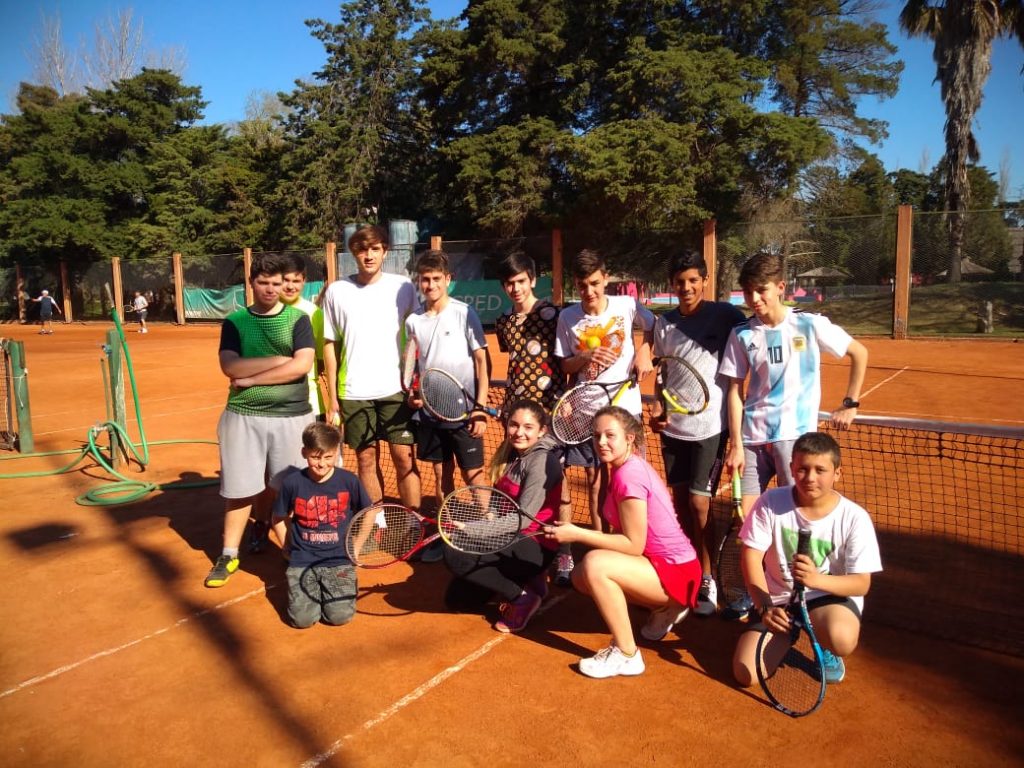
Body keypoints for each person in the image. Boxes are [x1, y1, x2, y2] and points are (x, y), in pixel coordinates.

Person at [719, 251, 868, 620]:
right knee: (750, 526)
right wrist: (736, 445)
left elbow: (859, 352)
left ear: (781, 287)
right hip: (752, 442)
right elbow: (735, 392)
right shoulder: (741, 334)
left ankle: (802, 595)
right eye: (748, 292)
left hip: (795, 444)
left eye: (762, 290)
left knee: (796, 526)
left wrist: (850, 402)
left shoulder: (810, 325)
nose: (755, 299)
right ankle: (753, 595)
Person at [546, 406, 702, 679]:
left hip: (677, 572)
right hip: (665, 567)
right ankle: (666, 608)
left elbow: (632, 545)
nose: (601, 442)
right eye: (596, 436)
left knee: (595, 566)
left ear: (630, 438)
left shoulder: (629, 475)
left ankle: (627, 654)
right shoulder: (625, 467)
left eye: (610, 435)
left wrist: (577, 533)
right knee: (581, 576)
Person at [731, 431, 882, 686]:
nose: (810, 478)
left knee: (841, 638)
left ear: (837, 473)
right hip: (779, 601)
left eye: (820, 470)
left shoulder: (855, 518)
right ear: (791, 468)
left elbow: (860, 583)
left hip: (827, 598)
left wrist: (815, 580)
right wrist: (765, 606)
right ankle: (787, 631)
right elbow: (751, 556)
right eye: (802, 469)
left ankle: (823, 642)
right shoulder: (770, 502)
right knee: (745, 673)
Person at [205, 253, 316, 588]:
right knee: (239, 489)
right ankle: (228, 553)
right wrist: (279, 360)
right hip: (243, 417)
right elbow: (230, 367)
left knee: (291, 489)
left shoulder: (298, 319)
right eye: (263, 282)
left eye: (277, 283)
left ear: (286, 285)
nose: (271, 289)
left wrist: (253, 379)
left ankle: (292, 548)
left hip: (292, 416)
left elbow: (302, 366)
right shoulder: (235, 322)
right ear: (251, 283)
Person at [649, 251, 745, 616]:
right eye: (680, 281)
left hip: (710, 428)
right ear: (671, 285)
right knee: (680, 504)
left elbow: (754, 339)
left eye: (693, 280)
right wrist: (658, 404)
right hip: (674, 429)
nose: (686, 287)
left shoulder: (726, 315)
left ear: (704, 280)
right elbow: (663, 372)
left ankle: (708, 577)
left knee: (700, 503)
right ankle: (689, 567)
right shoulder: (665, 324)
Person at [321, 226, 421, 524]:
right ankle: (377, 521)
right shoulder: (337, 290)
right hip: (354, 392)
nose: (368, 255)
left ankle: (413, 521)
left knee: (404, 457)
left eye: (375, 248)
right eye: (362, 249)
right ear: (353, 253)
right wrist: (332, 399)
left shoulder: (403, 287)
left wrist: (415, 381)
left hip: (396, 390)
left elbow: (418, 336)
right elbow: (329, 344)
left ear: (384, 251)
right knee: (366, 459)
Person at [554, 249, 655, 533]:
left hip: (626, 409)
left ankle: (633, 540)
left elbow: (653, 325)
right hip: (588, 409)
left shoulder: (627, 305)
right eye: (583, 285)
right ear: (576, 284)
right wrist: (586, 356)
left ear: (605, 279)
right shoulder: (567, 317)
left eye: (595, 283)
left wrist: (645, 352)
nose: (589, 291)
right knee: (596, 480)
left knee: (631, 477)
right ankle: (601, 541)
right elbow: (565, 363)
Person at [442, 399, 564, 633]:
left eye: (528, 427)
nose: (519, 432)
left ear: (542, 431)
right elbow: (500, 504)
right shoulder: (510, 453)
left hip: (535, 544)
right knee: (458, 601)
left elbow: (524, 519)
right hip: (509, 538)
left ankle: (523, 596)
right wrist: (486, 518)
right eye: (514, 425)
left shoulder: (541, 461)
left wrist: (471, 530)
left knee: (454, 552)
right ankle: (524, 580)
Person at [494, 252, 574, 586]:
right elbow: (514, 364)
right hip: (516, 417)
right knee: (514, 481)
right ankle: (520, 544)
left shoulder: (553, 314)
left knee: (559, 483)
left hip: (550, 413)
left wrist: (566, 396)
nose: (515, 288)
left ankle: (565, 552)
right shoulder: (504, 322)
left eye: (521, 281)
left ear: (532, 279)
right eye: (509, 283)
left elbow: (565, 358)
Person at [405, 249, 490, 559]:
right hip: (431, 412)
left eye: (436, 279)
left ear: (448, 280)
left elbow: (481, 361)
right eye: (425, 280)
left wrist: (480, 407)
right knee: (443, 475)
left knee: (474, 475)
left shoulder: (464, 312)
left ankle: (490, 528)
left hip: (465, 412)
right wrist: (415, 393)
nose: (430, 285)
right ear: (418, 282)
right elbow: (416, 366)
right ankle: (448, 533)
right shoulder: (414, 320)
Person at [248, 253, 327, 554]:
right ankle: (261, 521)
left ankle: (305, 526)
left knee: (308, 468)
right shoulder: (259, 313)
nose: (291, 286)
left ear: (304, 282)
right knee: (269, 474)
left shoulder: (313, 313)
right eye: (286, 281)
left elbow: (320, 360)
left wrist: (330, 404)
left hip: (308, 405)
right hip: (270, 405)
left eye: (297, 281)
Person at [271, 421, 370, 628]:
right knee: (302, 621)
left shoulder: (348, 481)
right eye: (315, 457)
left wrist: (357, 548)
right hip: (303, 559)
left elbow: (370, 512)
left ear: (336, 453)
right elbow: (278, 517)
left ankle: (338, 592)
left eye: (328, 457)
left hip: (339, 558)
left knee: (339, 617)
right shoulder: (293, 483)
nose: (322, 464)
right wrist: (286, 546)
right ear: (304, 452)